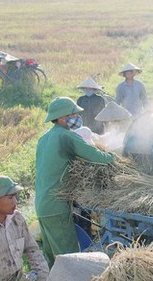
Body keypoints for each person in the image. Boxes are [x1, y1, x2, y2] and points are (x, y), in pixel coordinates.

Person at [35, 97, 115, 267]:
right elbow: (98, 158)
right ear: (62, 117)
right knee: (68, 258)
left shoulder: (44, 139)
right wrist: (115, 157)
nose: (77, 117)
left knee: (51, 256)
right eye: (73, 114)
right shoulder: (67, 137)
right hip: (57, 206)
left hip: (42, 204)